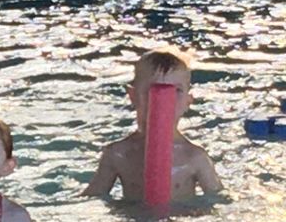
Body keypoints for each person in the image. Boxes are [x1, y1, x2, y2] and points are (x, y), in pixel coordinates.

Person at [83, 49, 223, 202]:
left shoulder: (195, 158)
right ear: (133, 96)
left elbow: (218, 200)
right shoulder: (117, 154)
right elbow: (92, 198)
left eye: (176, 91)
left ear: (188, 102)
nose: (164, 99)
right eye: (152, 90)